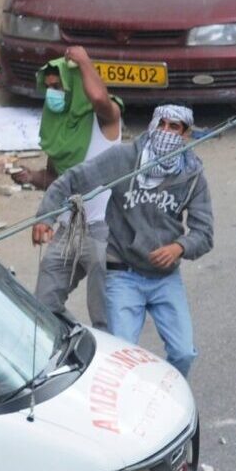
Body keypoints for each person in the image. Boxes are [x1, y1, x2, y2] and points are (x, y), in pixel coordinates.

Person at [30, 105, 213, 377]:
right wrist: (46, 216)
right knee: (121, 358)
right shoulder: (124, 159)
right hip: (123, 275)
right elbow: (73, 180)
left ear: (186, 135)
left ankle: (167, 399)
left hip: (165, 279)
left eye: (174, 128)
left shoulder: (192, 175)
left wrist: (179, 247)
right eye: (161, 124)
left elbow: (204, 233)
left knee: (183, 353)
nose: (165, 132)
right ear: (151, 125)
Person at [29, 46, 122, 329]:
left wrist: (83, 60)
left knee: (105, 315)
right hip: (68, 229)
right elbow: (57, 181)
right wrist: (32, 180)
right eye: (49, 88)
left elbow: (97, 96)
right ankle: (80, 341)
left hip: (101, 231)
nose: (53, 94)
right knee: (43, 306)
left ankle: (107, 359)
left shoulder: (106, 119)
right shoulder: (59, 130)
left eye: (58, 86)